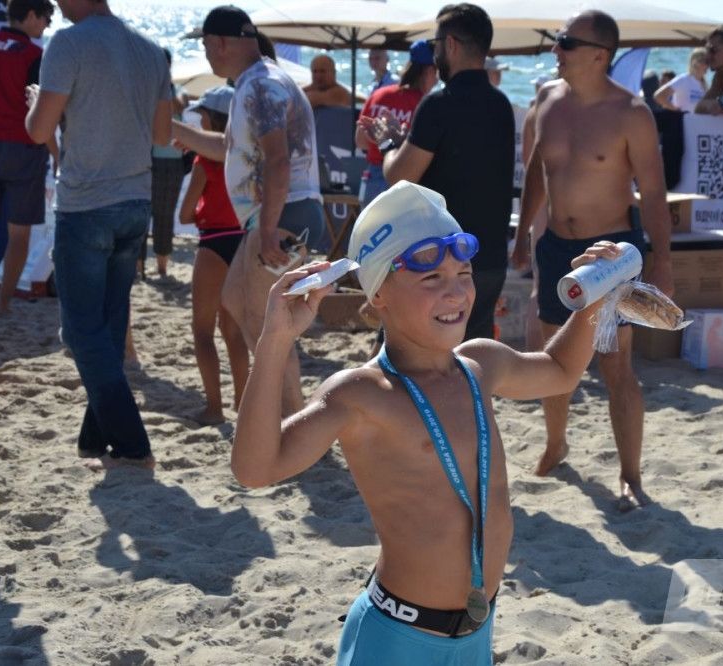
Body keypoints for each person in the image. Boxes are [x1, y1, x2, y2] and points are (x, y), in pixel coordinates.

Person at [232, 180, 619, 664]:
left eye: (463, 273)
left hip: (477, 633)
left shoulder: (481, 365)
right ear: (378, 294)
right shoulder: (362, 395)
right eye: (431, 278)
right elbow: (254, 469)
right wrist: (275, 340)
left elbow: (560, 371)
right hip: (398, 638)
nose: (455, 292)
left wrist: (594, 298)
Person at [510, 10, 673, 510]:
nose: (555, 49)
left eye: (565, 42)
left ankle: (630, 476)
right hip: (557, 246)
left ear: (600, 55)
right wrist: (522, 234)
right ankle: (556, 443)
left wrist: (663, 263)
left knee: (615, 364)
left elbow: (653, 193)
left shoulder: (631, 113)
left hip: (610, 254)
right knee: (552, 360)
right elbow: (537, 170)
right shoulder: (546, 99)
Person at [25, 0, 173, 470]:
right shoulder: (151, 50)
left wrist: (36, 105)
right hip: (135, 201)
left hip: (87, 202)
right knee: (106, 328)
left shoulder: (68, 43)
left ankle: (132, 443)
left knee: (80, 332)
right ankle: (95, 438)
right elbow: (163, 136)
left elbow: (38, 131)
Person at [173, 5, 324, 418]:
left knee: (268, 328)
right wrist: (176, 130)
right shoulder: (256, 82)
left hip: (283, 215)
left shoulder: (260, 84)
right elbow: (229, 149)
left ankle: (294, 424)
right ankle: (289, 419)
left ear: (220, 43)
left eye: (206, 46)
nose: (206, 54)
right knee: (238, 303)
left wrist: (269, 228)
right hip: (279, 214)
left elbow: (278, 160)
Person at [379, 3, 514, 341]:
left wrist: (387, 145)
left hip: (440, 260)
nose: (434, 53)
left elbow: (399, 176)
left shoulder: (439, 103)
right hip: (488, 256)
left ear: (451, 44)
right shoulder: (501, 105)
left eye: (435, 44)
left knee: (411, 350)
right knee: (473, 355)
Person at [178, 85, 249, 424]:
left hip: (214, 241)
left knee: (203, 331)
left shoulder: (204, 161)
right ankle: (242, 403)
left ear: (212, 119)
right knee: (233, 331)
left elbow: (184, 215)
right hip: (242, 242)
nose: (199, 121)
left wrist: (201, 214)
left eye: (203, 115)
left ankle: (213, 408)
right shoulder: (246, 157)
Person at [0, 0, 55, 317]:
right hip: (23, 149)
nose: (46, 26)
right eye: (45, 19)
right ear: (30, 15)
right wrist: (58, 153)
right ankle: (3, 304)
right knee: (19, 235)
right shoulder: (34, 55)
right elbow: (41, 111)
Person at [355, 40, 437, 206]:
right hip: (406, 182)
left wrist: (379, 139)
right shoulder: (426, 105)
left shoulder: (379, 95)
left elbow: (360, 142)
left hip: (373, 180)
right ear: (429, 71)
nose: (437, 80)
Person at [140, 47, 186, 280]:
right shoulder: (143, 88)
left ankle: (161, 268)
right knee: (140, 213)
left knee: (164, 215)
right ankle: (138, 268)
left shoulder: (178, 91)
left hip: (170, 161)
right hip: (144, 159)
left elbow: (179, 106)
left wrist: (164, 85)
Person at [653, 47, 708, 113]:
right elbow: (659, 96)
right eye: (706, 62)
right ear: (695, 62)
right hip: (683, 119)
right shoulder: (683, 80)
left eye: (709, 62)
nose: (708, 65)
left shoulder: (704, 85)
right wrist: (676, 111)